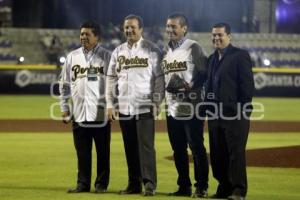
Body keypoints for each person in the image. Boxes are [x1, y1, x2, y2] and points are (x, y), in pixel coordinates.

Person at [105, 14, 164, 196]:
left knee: (145, 146)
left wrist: (156, 101)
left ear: (141, 29)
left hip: (145, 105)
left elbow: (159, 79)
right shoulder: (118, 51)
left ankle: (149, 184)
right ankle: (134, 184)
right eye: (126, 28)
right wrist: (109, 103)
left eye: (133, 27)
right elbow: (111, 78)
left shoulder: (152, 50)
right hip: (124, 106)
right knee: (129, 146)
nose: (129, 30)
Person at [59, 20, 111, 194]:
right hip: (79, 112)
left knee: (103, 152)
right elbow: (64, 84)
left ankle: (101, 184)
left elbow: (115, 83)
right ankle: (82, 184)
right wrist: (64, 107)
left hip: (100, 113)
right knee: (82, 152)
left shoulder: (107, 56)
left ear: (97, 36)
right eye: (81, 34)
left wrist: (113, 105)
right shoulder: (72, 56)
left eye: (87, 34)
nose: (83, 37)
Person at [205, 23, 254, 200]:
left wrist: (241, 110)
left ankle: (239, 190)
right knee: (217, 154)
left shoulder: (240, 56)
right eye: (214, 35)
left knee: (235, 154)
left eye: (220, 35)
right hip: (215, 115)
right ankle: (223, 188)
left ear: (229, 36)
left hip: (235, 115)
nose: (216, 38)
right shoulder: (211, 59)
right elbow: (208, 86)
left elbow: (247, 87)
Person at [163, 13, 209, 198]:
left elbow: (204, 73)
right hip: (172, 107)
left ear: (184, 29)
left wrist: (191, 86)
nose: (170, 30)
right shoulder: (166, 51)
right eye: (168, 26)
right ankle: (184, 186)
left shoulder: (193, 47)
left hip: (192, 105)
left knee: (196, 147)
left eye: (174, 26)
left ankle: (202, 186)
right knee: (178, 149)